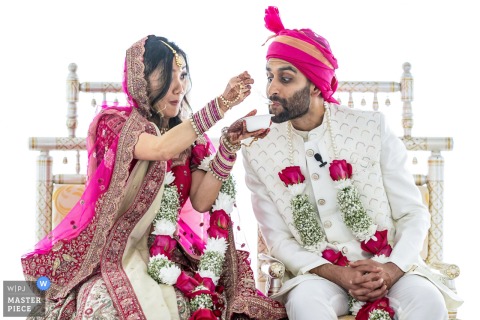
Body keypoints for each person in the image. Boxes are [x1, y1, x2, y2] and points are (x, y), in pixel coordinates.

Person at [21, 35, 287, 320]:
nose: (179, 87)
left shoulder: (188, 138)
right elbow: (160, 148)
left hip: (171, 258)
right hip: (114, 257)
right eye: (166, 76)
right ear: (141, 80)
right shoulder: (113, 125)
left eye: (183, 75)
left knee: (203, 306)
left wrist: (229, 147)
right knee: (105, 310)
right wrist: (221, 105)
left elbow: (201, 200)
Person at [242, 6, 463, 320]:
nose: (272, 89)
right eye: (270, 77)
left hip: (390, 266)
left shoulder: (371, 129)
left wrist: (391, 269)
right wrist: (338, 274)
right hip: (318, 276)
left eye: (286, 78)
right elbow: (278, 239)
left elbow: (413, 213)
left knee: (428, 302)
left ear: (317, 85)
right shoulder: (258, 148)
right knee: (305, 305)